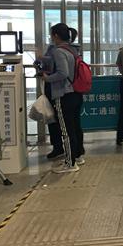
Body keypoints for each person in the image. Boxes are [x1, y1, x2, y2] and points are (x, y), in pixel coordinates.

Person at [38, 27, 83, 161]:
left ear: (56, 36)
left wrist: (47, 78)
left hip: (64, 93)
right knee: (74, 126)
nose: (51, 37)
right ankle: (77, 155)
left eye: (52, 35)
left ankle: (70, 162)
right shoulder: (73, 50)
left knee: (66, 130)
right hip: (75, 91)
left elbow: (63, 73)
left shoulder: (58, 51)